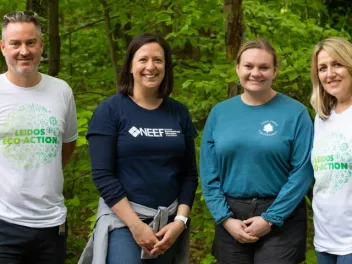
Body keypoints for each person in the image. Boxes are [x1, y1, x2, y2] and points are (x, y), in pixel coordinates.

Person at [79, 32, 198, 264]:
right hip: (123, 223)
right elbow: (103, 175)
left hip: (169, 225)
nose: (150, 67)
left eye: (158, 60)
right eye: (143, 59)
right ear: (130, 66)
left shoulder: (179, 112)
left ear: (166, 67)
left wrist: (180, 222)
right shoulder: (110, 111)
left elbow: (189, 174)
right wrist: (136, 226)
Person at [200, 38, 314, 264]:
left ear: (275, 70)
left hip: (282, 215)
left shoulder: (296, 113)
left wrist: (271, 218)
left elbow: (302, 171)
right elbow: (208, 172)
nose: (256, 73)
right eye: (248, 66)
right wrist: (224, 218)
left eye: (264, 67)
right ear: (237, 68)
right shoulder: (220, 113)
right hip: (230, 215)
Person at [0, 11, 77, 264]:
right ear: (3, 47)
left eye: (31, 42)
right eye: (15, 43)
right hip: (4, 224)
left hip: (52, 224)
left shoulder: (61, 91)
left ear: (41, 45)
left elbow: (66, 148)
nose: (24, 51)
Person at [310, 37, 352, 264]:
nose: (330, 74)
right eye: (322, 68)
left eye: (337, 64)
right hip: (324, 236)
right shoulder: (322, 117)